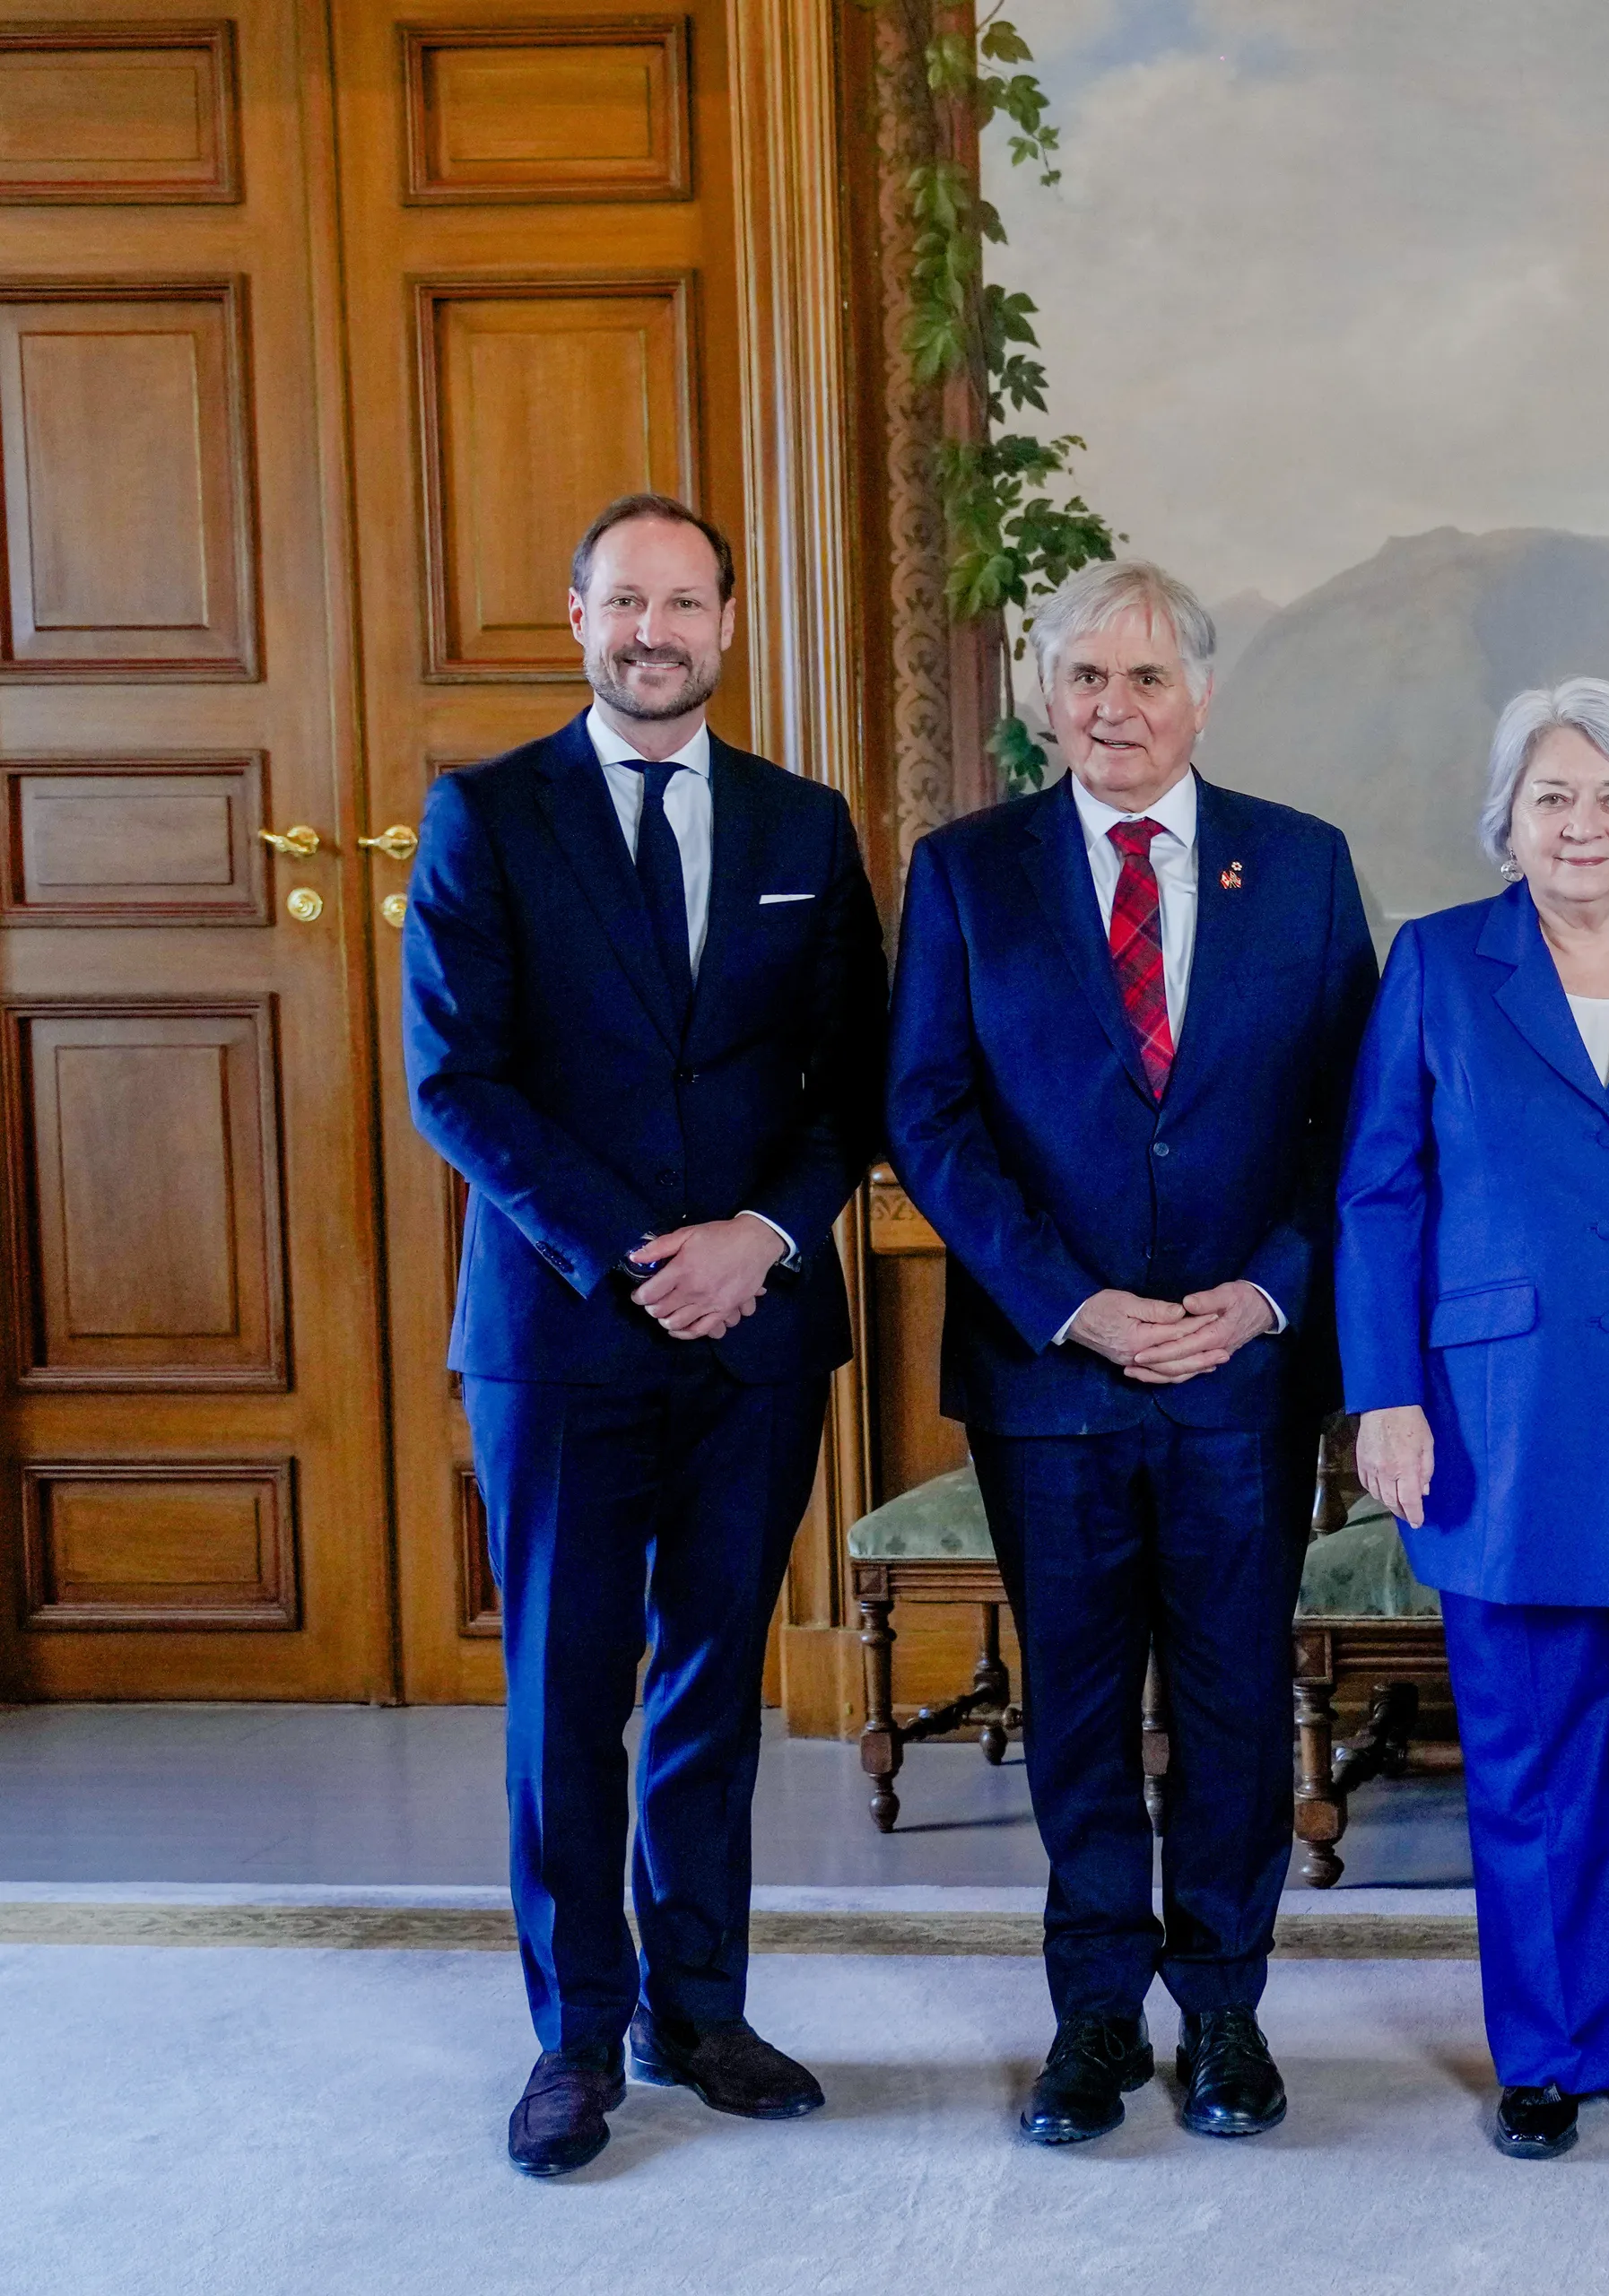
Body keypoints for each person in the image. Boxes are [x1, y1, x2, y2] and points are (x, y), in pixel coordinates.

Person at [404, 492, 888, 2177]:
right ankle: (574, 2037)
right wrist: (633, 1254)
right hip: (561, 1334)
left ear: (730, 626)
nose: (653, 631)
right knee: (566, 1693)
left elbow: (851, 1087)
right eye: (624, 601)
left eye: (684, 602)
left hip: (753, 1328)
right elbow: (457, 1082)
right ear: (577, 614)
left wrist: (756, 1239)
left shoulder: (805, 829)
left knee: (711, 1684)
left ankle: (703, 2007)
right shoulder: (485, 816)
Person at [885, 558, 1377, 2150]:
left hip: (1242, 1370)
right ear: (1046, 699)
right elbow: (931, 1115)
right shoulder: (968, 873)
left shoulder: (1301, 870)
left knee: (1236, 1699)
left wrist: (1266, 1294)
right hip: (1053, 1373)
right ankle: (1095, 2014)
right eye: (1086, 679)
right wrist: (1072, 1304)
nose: (1115, 708)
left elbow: (1358, 1128)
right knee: (1081, 1704)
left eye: (1146, 680)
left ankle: (1225, 2011)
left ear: (1201, 700)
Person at [1335, 681, 1609, 2162]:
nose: (1583, 826)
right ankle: (1548, 2049)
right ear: (1506, 823)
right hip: (1494, 1419)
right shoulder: (1439, 966)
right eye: (1552, 799)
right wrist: (1385, 1395)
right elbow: (1382, 1191)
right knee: (1526, 1760)